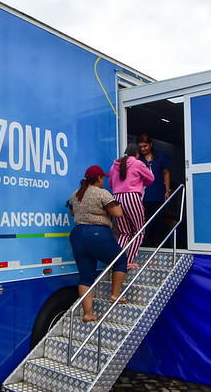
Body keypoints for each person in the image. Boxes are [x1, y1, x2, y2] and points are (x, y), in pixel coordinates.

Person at [67, 165, 128, 322]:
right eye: (103, 178)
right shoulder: (102, 193)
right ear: (99, 178)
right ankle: (115, 294)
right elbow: (118, 213)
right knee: (120, 260)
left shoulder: (76, 194)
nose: (103, 181)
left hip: (77, 235)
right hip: (97, 234)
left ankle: (88, 314)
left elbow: (73, 212)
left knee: (86, 277)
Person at [109, 144, 154, 268]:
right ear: (137, 154)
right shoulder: (138, 163)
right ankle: (128, 260)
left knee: (124, 232)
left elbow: (111, 184)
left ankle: (117, 260)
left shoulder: (114, 165)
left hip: (117, 198)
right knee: (139, 231)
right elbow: (151, 178)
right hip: (132, 197)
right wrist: (140, 182)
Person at [136, 133, 172, 247]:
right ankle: (147, 246)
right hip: (143, 197)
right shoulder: (138, 159)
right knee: (145, 224)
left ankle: (164, 246)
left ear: (151, 144)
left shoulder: (160, 157)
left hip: (158, 194)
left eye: (145, 146)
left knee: (159, 222)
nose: (143, 149)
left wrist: (167, 190)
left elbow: (166, 173)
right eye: (140, 146)